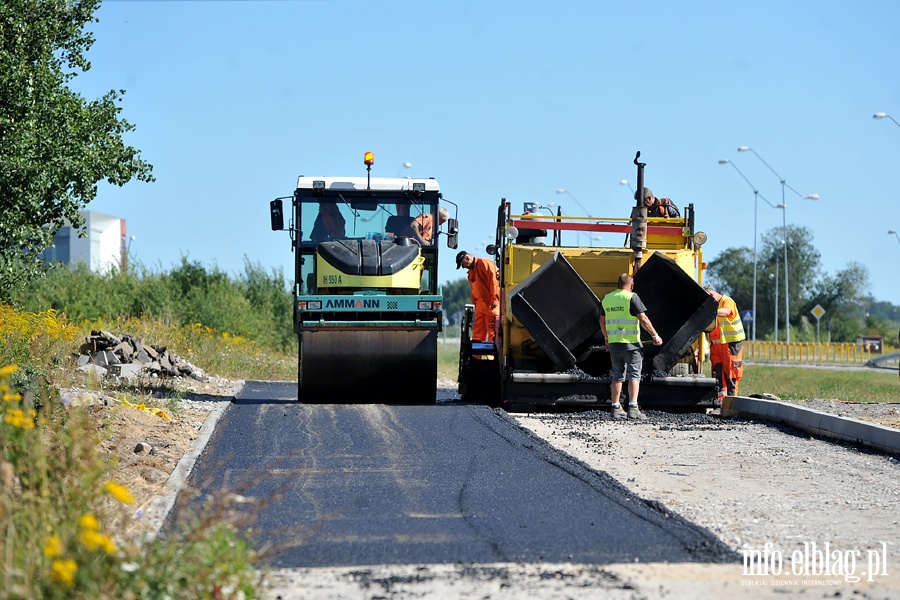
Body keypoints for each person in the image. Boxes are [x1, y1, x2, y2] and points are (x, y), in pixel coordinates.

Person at [599, 273, 663, 420]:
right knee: (634, 375)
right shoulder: (632, 297)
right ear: (631, 285)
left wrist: (607, 338)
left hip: (614, 344)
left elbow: (601, 320)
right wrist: (655, 335)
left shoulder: (607, 299)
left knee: (617, 376)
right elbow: (643, 319)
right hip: (631, 344)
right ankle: (633, 408)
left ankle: (615, 408)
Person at [703, 284, 746, 400]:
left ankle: (732, 401)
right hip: (716, 346)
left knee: (731, 373)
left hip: (731, 344)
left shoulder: (727, 301)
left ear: (711, 295)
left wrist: (708, 312)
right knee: (718, 375)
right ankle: (721, 401)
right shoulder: (713, 306)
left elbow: (726, 312)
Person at [456, 250, 500, 342]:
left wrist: (494, 300)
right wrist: (476, 305)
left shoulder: (485, 263)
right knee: (477, 333)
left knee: (493, 333)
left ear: (467, 258)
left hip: (490, 304)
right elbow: (474, 291)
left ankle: (492, 356)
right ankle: (476, 356)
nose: (464, 268)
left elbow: (494, 282)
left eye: (463, 265)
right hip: (480, 305)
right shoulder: (471, 273)